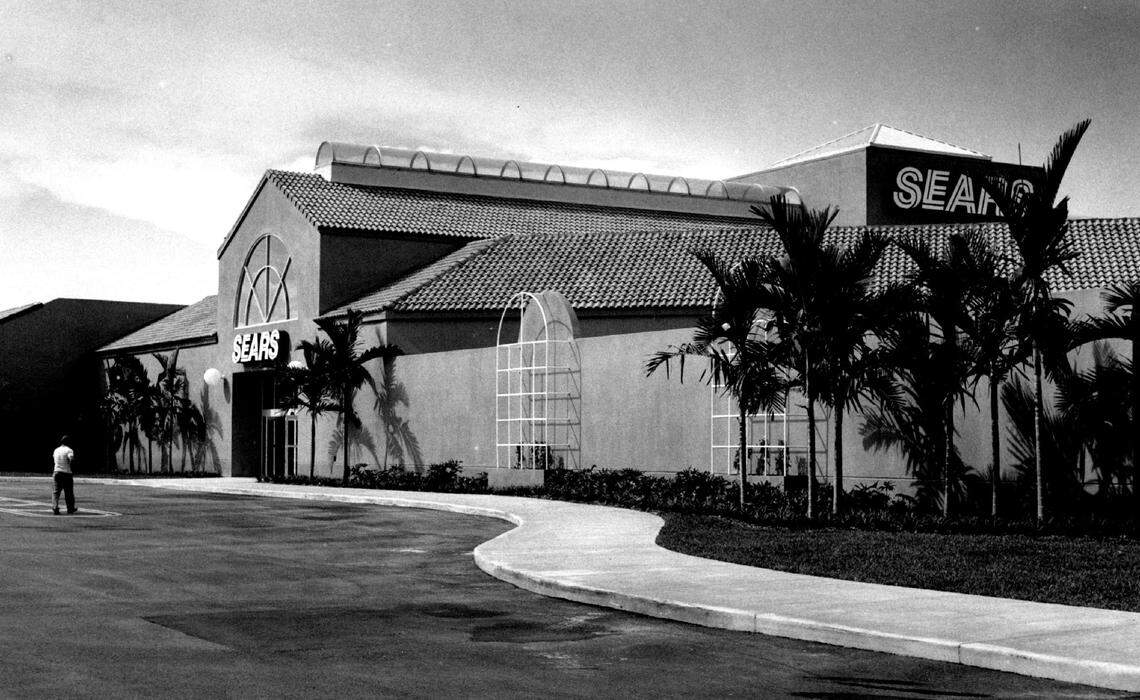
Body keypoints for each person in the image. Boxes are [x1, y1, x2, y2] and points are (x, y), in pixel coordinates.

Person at [52, 435, 76, 515]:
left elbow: (54, 458)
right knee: (68, 492)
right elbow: (71, 458)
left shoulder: (56, 450)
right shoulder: (69, 450)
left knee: (56, 492)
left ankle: (55, 507)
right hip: (66, 473)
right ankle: (70, 508)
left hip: (57, 472)